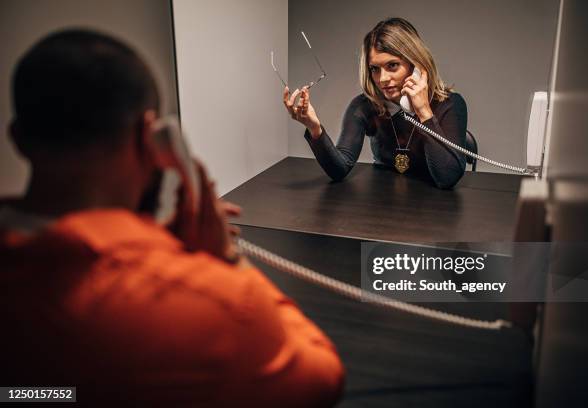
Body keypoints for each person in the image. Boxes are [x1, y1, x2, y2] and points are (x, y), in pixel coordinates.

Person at [0, 29, 344, 406]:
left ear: (17, 139)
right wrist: (228, 261)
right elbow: (322, 378)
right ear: (152, 138)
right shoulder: (206, 298)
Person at [284, 18, 468, 189]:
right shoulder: (365, 107)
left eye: (392, 65)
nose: (383, 79)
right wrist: (315, 129)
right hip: (381, 207)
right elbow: (339, 169)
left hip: (435, 211)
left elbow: (447, 178)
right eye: (374, 69)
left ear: (416, 65)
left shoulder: (449, 104)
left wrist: (423, 112)